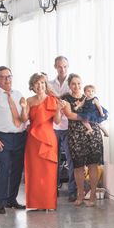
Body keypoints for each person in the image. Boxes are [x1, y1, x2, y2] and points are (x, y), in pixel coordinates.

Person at [0, 66, 27, 215]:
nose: (7, 79)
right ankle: (0, 202)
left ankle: (11, 200)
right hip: (1, 138)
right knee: (4, 168)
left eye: (9, 76)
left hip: (20, 136)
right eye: (3, 77)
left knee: (16, 170)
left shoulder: (19, 94)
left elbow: (23, 116)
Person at [60, 74, 105, 207]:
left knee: (93, 165)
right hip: (76, 135)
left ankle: (92, 195)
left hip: (93, 134)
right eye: (73, 83)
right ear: (69, 85)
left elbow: (99, 112)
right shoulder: (65, 98)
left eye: (79, 83)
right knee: (78, 166)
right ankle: (80, 194)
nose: (77, 86)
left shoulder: (89, 95)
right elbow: (69, 114)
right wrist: (88, 117)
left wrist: (93, 117)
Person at [21, 73, 62, 210]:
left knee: (48, 172)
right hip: (33, 140)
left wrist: (59, 110)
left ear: (46, 85)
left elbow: (57, 121)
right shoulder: (29, 100)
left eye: (42, 83)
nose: (40, 86)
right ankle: (35, 203)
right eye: (37, 83)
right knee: (34, 171)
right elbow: (23, 119)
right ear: (32, 86)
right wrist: (22, 107)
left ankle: (48, 203)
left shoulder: (52, 100)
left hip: (48, 138)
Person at [49, 56, 77, 202]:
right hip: (53, 127)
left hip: (69, 127)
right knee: (54, 161)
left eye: (65, 66)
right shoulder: (49, 84)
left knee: (71, 160)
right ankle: (53, 190)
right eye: (60, 66)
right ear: (55, 67)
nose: (62, 69)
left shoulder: (72, 83)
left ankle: (73, 191)